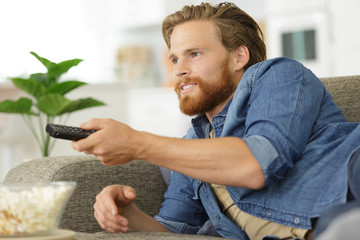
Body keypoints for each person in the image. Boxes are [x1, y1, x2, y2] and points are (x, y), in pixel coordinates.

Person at [72, 2, 360, 240]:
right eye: (174, 60)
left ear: (239, 57)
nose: (180, 70)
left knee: (341, 223)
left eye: (194, 54)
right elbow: (174, 230)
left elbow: (258, 164)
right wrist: (128, 215)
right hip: (324, 228)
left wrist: (137, 142)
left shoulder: (278, 75)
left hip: (349, 186)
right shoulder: (193, 148)